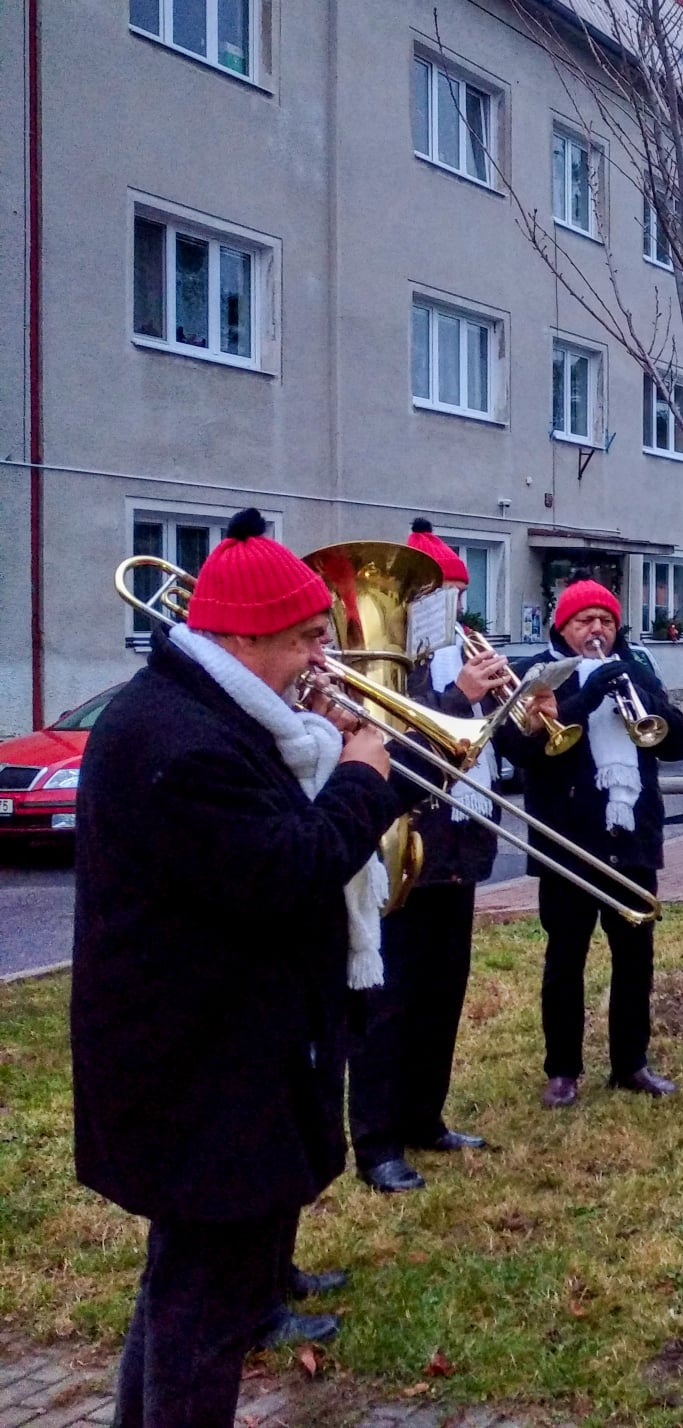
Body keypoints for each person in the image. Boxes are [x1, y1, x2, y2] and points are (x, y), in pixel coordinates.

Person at [73, 509, 410, 1428]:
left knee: (183, 1291)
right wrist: (362, 778)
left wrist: (363, 767)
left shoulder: (212, 712)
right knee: (204, 1317)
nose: (322, 659)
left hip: (213, 1062)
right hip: (200, 1074)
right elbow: (286, 870)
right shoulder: (183, 741)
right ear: (242, 636)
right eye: (307, 638)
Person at [345, 520, 512, 1194]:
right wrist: (461, 697)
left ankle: (424, 1116)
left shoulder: (464, 660)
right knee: (389, 1005)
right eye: (440, 594)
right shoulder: (388, 666)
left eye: (458, 594)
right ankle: (377, 1141)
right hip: (401, 855)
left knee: (444, 995)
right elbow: (397, 748)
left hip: (459, 853)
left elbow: (504, 755)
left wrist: (524, 708)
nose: (453, 610)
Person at [497, 578, 683, 1109]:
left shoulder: (637, 667)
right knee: (566, 960)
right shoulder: (540, 675)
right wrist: (584, 695)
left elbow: (677, 742)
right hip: (568, 841)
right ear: (563, 627)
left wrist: (641, 692)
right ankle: (562, 1071)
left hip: (630, 838)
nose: (598, 630)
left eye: (606, 620)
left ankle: (632, 1063)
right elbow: (519, 747)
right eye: (586, 621)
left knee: (636, 959)